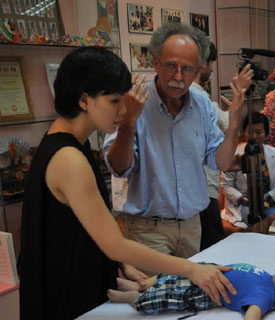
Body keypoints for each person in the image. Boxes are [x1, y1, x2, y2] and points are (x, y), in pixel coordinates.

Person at [18, 47, 238, 320]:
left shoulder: (66, 142)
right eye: (114, 101)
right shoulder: (68, 158)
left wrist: (122, 264)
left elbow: (88, 227)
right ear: (85, 100)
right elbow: (113, 243)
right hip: (66, 294)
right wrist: (192, 269)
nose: (123, 110)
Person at [103, 23, 247, 262]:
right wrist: (129, 122)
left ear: (198, 69)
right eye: (171, 66)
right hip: (148, 230)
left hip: (192, 226)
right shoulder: (134, 101)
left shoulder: (201, 104)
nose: (178, 77)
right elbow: (118, 167)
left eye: (187, 69)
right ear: (156, 62)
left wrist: (233, 124)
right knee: (154, 297)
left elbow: (220, 162)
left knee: (191, 297)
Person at [108, 261, 275, 319]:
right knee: (172, 274)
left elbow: (253, 313)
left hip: (204, 291)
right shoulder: (268, 280)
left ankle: (134, 298)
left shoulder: (264, 297)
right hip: (208, 271)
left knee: (167, 296)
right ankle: (142, 284)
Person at [192, 43, 253, 250]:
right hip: (203, 190)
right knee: (212, 250)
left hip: (202, 187)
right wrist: (239, 97)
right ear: (203, 63)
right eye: (211, 64)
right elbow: (228, 129)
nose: (211, 70)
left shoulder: (197, 95)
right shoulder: (197, 95)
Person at [221, 112, 275, 228]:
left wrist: (265, 198)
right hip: (242, 205)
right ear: (244, 132)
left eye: (258, 132)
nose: (253, 136)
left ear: (266, 133)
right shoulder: (235, 154)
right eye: (249, 132)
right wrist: (243, 200)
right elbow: (226, 185)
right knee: (255, 221)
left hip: (267, 204)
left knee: (272, 220)